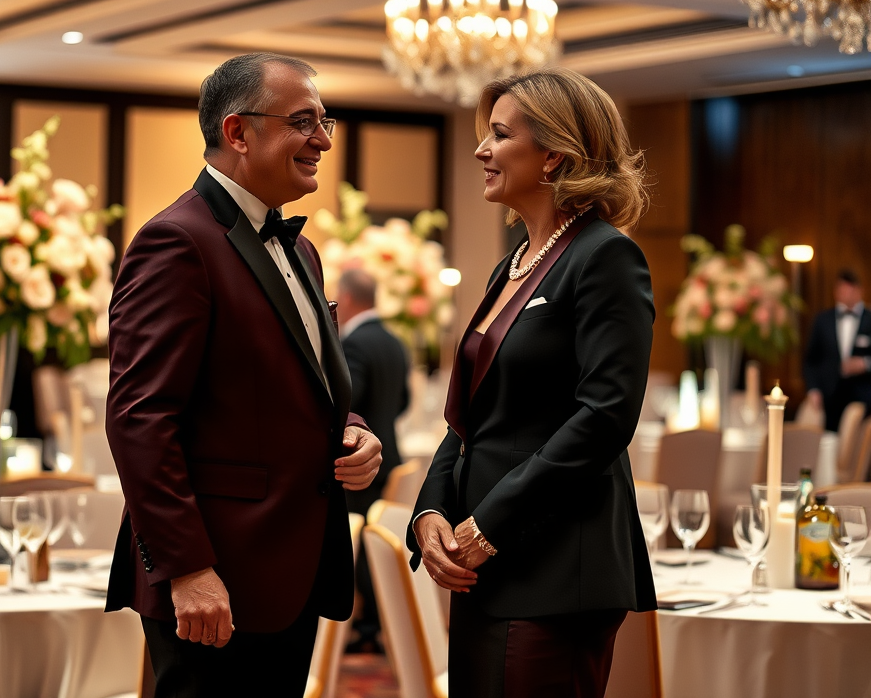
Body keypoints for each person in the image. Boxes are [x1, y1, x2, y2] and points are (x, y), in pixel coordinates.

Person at [104, 52, 382, 698]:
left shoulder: (302, 249)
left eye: (324, 122)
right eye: (303, 121)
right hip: (215, 578)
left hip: (292, 568)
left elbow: (308, 388)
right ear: (238, 133)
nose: (322, 140)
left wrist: (354, 431)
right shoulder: (177, 241)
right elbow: (140, 420)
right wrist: (187, 569)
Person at [406, 67, 656, 698]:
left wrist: (490, 525)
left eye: (499, 134)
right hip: (487, 561)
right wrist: (432, 508)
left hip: (556, 565)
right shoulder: (512, 264)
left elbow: (605, 416)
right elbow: (470, 417)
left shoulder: (604, 256)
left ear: (554, 156)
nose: (480, 150)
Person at [336, 267, 410, 652]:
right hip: (389, 454)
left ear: (346, 299)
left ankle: (369, 625)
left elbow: (347, 399)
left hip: (358, 457)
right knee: (372, 538)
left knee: (361, 541)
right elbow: (403, 402)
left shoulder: (354, 343)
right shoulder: (394, 341)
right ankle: (376, 621)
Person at [803, 268, 871, 433]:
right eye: (841, 290)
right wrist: (813, 389)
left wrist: (866, 363)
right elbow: (810, 359)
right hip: (830, 396)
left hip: (864, 397)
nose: (845, 294)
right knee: (830, 442)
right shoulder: (822, 320)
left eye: (849, 290)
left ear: (859, 291)